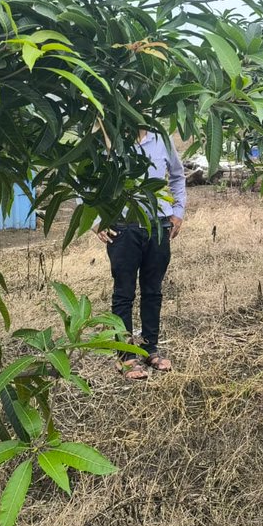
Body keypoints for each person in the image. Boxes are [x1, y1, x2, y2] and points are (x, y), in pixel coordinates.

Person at [95, 128, 186, 380]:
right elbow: (87, 181)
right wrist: (94, 219)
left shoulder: (162, 140)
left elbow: (178, 176)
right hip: (122, 227)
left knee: (153, 290)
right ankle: (125, 356)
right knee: (123, 292)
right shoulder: (107, 139)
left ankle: (149, 348)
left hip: (158, 225)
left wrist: (178, 212)